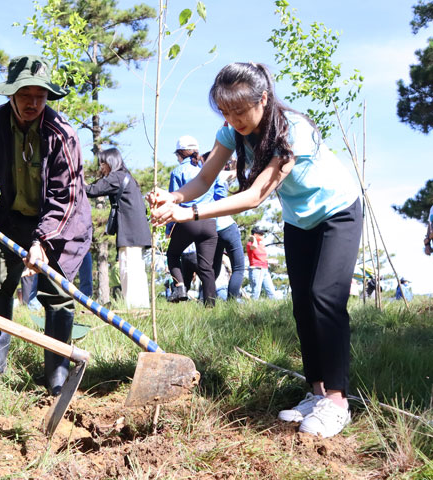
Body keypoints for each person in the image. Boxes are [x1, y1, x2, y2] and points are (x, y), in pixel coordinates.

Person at [148, 62, 362, 438]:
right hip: (300, 221)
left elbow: (254, 196)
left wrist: (189, 212)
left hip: (338, 212)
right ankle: (316, 393)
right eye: (225, 111)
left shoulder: (293, 131)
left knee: (324, 298)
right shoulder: (230, 131)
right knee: (302, 303)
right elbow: (203, 177)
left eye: (239, 110)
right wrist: (175, 196)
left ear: (263, 98)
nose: (233, 120)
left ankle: (338, 401)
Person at [0, 54, 92, 396]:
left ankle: (57, 374)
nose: (33, 103)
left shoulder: (62, 134)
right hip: (13, 216)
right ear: (11, 95)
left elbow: (66, 196)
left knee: (57, 293)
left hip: (62, 224)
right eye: (25, 95)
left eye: (40, 96)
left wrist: (42, 243)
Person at [85, 148, 151, 309]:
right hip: (137, 231)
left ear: (110, 162)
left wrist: (74, 179)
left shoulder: (116, 177)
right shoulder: (127, 177)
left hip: (130, 232)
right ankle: (140, 306)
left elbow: (92, 190)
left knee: (128, 269)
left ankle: (134, 307)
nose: (101, 168)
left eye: (102, 163)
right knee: (136, 269)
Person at [165, 136, 218, 306]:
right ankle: (211, 306)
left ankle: (180, 287)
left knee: (172, 254)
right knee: (206, 267)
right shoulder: (208, 169)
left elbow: (173, 201)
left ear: (180, 153)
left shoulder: (178, 171)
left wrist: (169, 228)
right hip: (209, 219)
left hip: (188, 219)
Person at [202, 151, 245, 300]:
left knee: (212, 270)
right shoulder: (220, 175)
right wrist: (233, 161)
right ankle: (232, 302)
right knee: (238, 267)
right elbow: (238, 171)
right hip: (227, 226)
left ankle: (205, 301)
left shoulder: (203, 179)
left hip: (211, 227)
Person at [246, 226, 277, 300]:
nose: (263, 235)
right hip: (256, 269)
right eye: (260, 233)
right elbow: (254, 247)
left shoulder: (261, 245)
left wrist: (269, 261)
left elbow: (261, 258)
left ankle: (276, 311)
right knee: (256, 292)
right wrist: (253, 238)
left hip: (265, 269)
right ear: (255, 234)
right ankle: (251, 310)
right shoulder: (250, 243)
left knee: (272, 292)